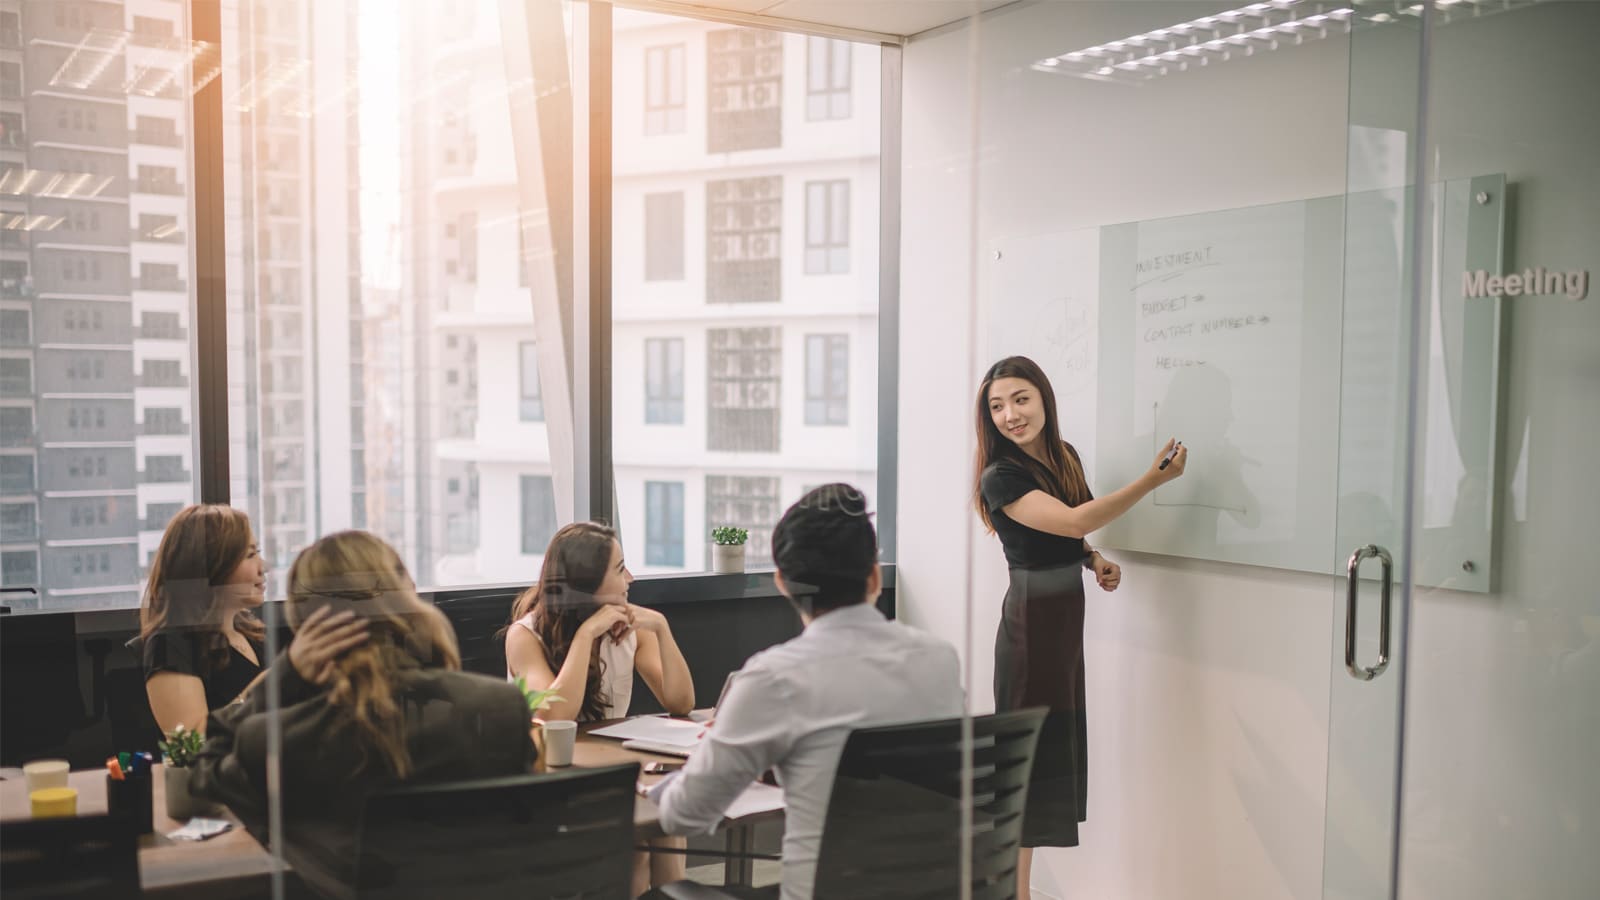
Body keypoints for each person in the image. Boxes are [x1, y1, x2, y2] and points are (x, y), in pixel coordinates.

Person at [649, 484, 963, 900]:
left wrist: (667, 779)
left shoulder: (774, 678)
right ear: (873, 576)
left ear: (783, 583)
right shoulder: (940, 659)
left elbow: (684, 815)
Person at [191, 531, 535, 899]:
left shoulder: (279, 742)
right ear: (406, 597)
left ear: (307, 629)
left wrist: (285, 674)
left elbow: (204, 765)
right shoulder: (498, 709)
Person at [974, 355, 1187, 895]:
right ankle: (1013, 892)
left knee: (1046, 761)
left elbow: (1071, 531)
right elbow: (1072, 520)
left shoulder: (1062, 457)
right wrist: (1151, 481)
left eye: (1020, 399)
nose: (1010, 415)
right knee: (1024, 764)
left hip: (1063, 627)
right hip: (1029, 630)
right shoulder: (1000, 475)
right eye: (997, 406)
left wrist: (1092, 560)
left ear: (1044, 398)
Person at [503, 521, 694, 895]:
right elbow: (555, 715)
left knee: (667, 826)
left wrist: (662, 628)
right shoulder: (524, 636)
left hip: (613, 769)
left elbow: (680, 701)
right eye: (620, 569)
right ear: (587, 582)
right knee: (637, 849)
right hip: (552, 778)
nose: (631, 578)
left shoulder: (629, 630)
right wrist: (586, 635)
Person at [140, 505, 273, 735]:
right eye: (250, 555)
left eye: (258, 552)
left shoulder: (253, 635)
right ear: (213, 567)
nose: (264, 567)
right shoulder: (170, 645)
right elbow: (192, 741)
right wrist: (269, 685)